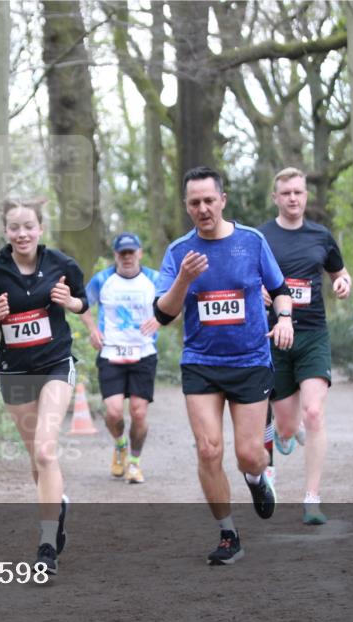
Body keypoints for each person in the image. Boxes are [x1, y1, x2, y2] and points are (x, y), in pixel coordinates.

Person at [153, 166, 294, 565]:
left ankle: (256, 477)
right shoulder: (180, 252)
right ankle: (228, 533)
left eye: (209, 201)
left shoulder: (251, 242)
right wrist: (183, 279)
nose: (202, 209)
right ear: (186, 206)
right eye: (194, 203)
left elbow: (281, 290)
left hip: (250, 361)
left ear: (222, 200)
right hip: (201, 363)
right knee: (208, 449)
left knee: (249, 455)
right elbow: (164, 315)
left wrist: (284, 319)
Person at [0, 197, 88, 575]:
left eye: (29, 226)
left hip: (55, 364)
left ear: (41, 229)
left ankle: (46, 544)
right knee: (37, 463)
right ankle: (58, 502)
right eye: (14, 227)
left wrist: (69, 301)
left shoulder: (62, 264)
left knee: (44, 451)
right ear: (6, 232)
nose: (22, 233)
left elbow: (82, 304)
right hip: (15, 372)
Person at [259, 167, 352, 525]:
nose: (293, 198)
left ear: (305, 196)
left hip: (313, 334)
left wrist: (344, 284)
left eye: (298, 192)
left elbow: (338, 273)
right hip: (274, 337)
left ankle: (312, 498)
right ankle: (288, 432)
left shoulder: (321, 236)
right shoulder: (261, 237)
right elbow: (247, 279)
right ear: (276, 198)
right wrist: (258, 291)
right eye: (286, 193)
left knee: (314, 413)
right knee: (284, 427)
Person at [79, 232, 160, 484]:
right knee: (113, 413)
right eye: (122, 253)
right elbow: (82, 304)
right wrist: (93, 329)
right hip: (111, 351)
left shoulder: (154, 279)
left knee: (138, 412)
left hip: (143, 352)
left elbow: (174, 304)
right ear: (115, 255)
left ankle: (134, 463)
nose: (127, 257)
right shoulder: (103, 280)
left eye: (131, 252)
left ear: (139, 253)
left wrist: (159, 319)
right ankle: (120, 445)